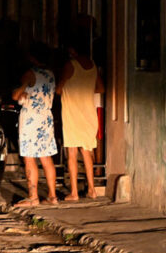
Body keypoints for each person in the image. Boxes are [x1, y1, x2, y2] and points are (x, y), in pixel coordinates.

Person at [56, 38, 104, 201]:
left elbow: (58, 89)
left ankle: (74, 192)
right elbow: (101, 88)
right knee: (87, 152)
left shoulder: (70, 65)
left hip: (72, 113)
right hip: (88, 112)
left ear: (73, 51)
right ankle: (92, 189)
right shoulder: (92, 65)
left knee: (71, 153)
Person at [13, 42, 59, 206]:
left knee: (29, 157)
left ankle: (33, 197)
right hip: (46, 117)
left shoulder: (30, 73)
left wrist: (19, 92)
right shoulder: (50, 74)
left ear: (32, 57)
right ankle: (53, 196)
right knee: (46, 157)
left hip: (31, 118)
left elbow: (17, 94)